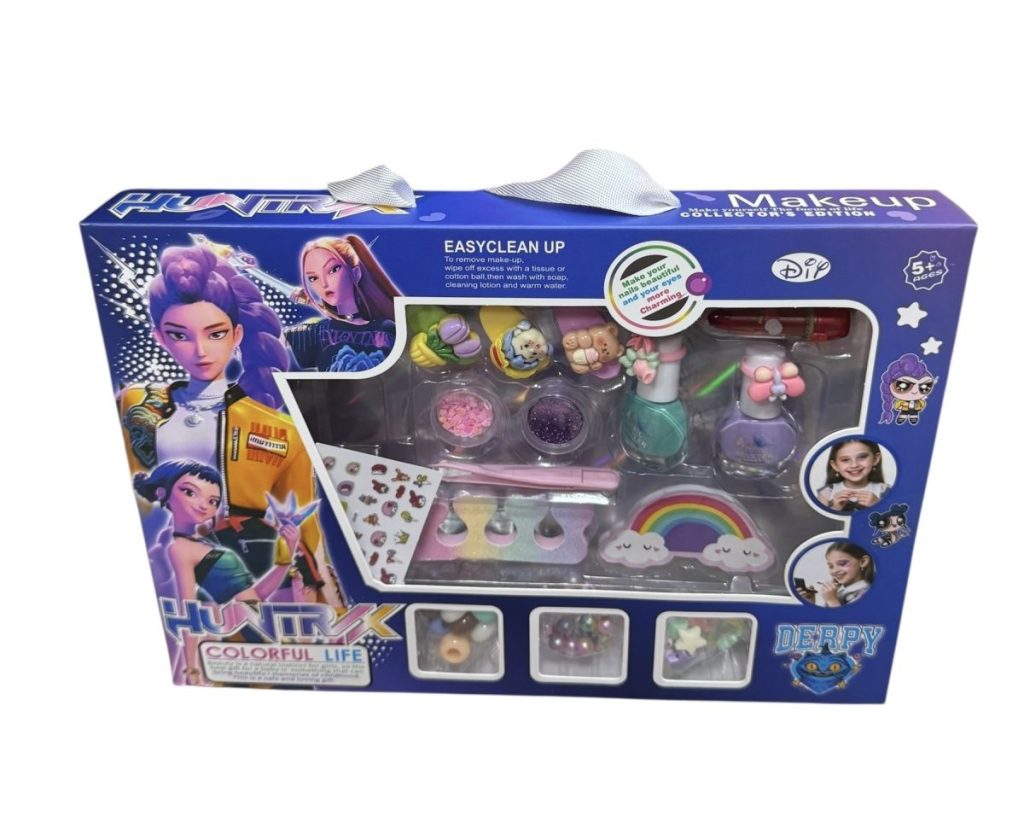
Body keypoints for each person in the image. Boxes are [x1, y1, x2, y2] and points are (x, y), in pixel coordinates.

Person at [119, 243, 343, 607]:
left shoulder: (280, 430)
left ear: (236, 335)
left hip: (249, 579)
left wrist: (329, 606)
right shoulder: (137, 405)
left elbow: (305, 530)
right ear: (160, 337)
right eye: (180, 335)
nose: (200, 351)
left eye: (215, 333)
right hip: (163, 577)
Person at [134, 460, 301, 684]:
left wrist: (288, 550)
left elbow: (255, 596)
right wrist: (191, 667)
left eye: (213, 501)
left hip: (261, 627)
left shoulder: (204, 542)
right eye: (190, 492)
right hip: (247, 633)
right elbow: (188, 608)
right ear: (162, 492)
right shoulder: (179, 548)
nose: (203, 505)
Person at [286, 235, 401, 371]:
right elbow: (268, 340)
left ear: (356, 273)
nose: (324, 284)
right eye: (313, 278)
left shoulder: (387, 329)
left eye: (333, 270)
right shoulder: (318, 331)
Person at [816, 439, 888, 512]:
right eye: (845, 460)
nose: (854, 465)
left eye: (862, 457)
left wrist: (878, 505)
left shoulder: (884, 490)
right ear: (835, 465)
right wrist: (835, 508)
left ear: (875, 459)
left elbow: (892, 516)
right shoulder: (826, 493)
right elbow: (819, 518)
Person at [797, 543, 874, 607]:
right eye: (831, 566)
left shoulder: (869, 593)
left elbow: (850, 619)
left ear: (863, 562)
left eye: (842, 564)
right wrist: (811, 604)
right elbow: (825, 618)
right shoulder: (839, 591)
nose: (834, 571)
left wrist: (832, 601)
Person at [879, 353, 937, 425]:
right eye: (904, 386)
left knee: (914, 415)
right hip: (904, 410)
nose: (915, 391)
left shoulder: (918, 401)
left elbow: (922, 404)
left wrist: (920, 405)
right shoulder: (901, 401)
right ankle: (901, 419)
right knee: (903, 414)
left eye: (924, 387)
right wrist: (900, 405)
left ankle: (913, 419)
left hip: (914, 410)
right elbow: (897, 405)